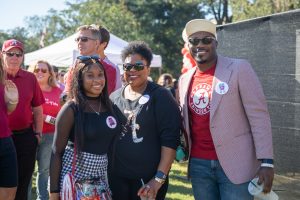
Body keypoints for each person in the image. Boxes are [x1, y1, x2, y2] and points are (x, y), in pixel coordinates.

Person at [178, 19, 274, 200]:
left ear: (216, 43)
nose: (200, 45)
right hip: (199, 165)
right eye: (194, 41)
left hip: (237, 164)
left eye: (206, 40)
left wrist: (267, 162)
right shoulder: (184, 80)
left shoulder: (239, 68)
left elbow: (259, 117)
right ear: (188, 46)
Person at [109, 41, 181, 200]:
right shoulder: (113, 98)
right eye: (127, 67)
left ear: (148, 68)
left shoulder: (161, 97)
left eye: (139, 66)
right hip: (116, 180)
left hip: (146, 183)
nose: (132, 70)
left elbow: (170, 141)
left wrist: (158, 180)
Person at [49, 56, 120, 200]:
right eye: (90, 75)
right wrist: (54, 192)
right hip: (75, 180)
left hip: (101, 180)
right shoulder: (71, 109)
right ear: (79, 79)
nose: (97, 80)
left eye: (100, 75)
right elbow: (56, 152)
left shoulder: (110, 106)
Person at [2, 39, 45, 200]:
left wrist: (38, 133)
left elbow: (37, 108)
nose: (14, 57)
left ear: (23, 57)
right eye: (10, 53)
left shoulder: (30, 78)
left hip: (25, 136)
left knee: (23, 180)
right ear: (2, 55)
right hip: (2, 137)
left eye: (18, 54)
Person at [27, 60, 62, 200]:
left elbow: (62, 117)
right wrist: (38, 116)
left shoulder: (58, 92)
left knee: (44, 170)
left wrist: (47, 118)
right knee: (27, 170)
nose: (40, 72)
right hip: (28, 134)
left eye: (43, 70)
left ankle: (42, 198)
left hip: (49, 135)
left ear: (50, 74)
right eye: (36, 70)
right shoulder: (27, 89)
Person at [64, 24, 118, 97]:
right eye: (77, 39)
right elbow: (68, 95)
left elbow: (106, 98)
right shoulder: (74, 67)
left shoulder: (109, 69)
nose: (79, 42)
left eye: (84, 39)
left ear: (96, 43)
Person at [0, 52, 19, 200]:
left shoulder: (3, 80)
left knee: (9, 190)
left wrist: (12, 101)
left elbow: (6, 112)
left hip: (6, 140)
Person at [97, 25, 122, 91]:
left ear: (103, 44)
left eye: (95, 40)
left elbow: (116, 94)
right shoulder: (79, 64)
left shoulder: (114, 68)